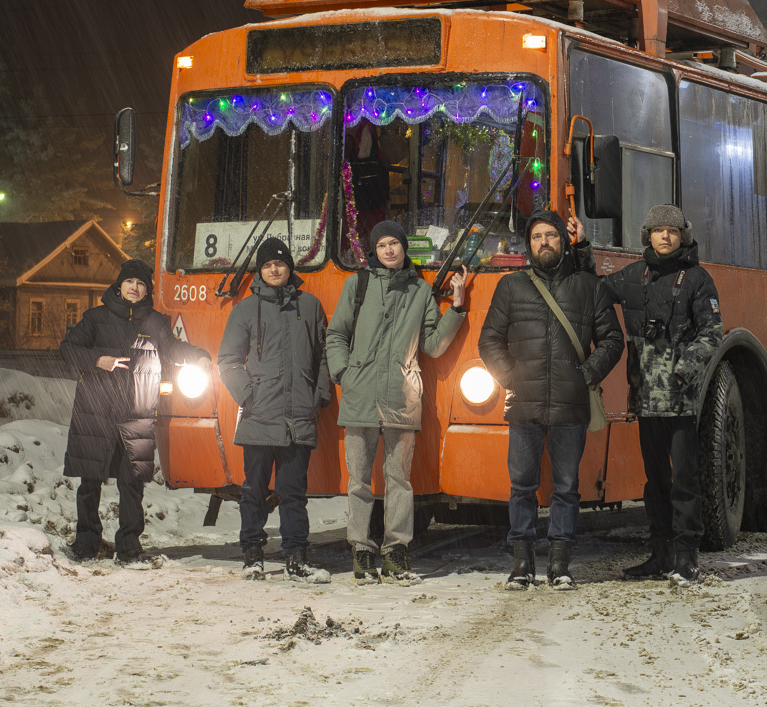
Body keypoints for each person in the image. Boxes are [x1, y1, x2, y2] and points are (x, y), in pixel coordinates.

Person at [570, 205, 722, 585]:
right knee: (655, 481)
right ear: (648, 236)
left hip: (680, 400)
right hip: (645, 399)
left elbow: (711, 333)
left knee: (684, 480)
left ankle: (687, 558)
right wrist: (583, 245)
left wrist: (683, 373)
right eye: (658, 231)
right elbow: (595, 288)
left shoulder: (698, 280)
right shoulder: (635, 275)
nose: (665, 237)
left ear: (682, 236)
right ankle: (660, 553)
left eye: (672, 231)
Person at [478, 209, 624, 591]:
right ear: (529, 244)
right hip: (523, 403)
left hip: (569, 403)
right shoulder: (511, 287)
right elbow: (489, 340)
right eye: (537, 237)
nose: (544, 242)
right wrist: (509, 376)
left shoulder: (587, 287)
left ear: (564, 241)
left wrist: (586, 376)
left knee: (565, 487)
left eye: (551, 236)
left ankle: (560, 565)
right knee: (522, 486)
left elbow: (612, 340)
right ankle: (521, 565)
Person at [326, 220, 469, 584]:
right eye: (382, 245)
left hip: (401, 398)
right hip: (359, 396)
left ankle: (395, 551)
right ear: (374, 251)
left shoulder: (420, 292)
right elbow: (336, 334)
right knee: (358, 480)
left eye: (395, 244)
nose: (389, 250)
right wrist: (344, 373)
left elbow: (434, 344)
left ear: (405, 248)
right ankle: (361, 549)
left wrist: (457, 306)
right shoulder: (356, 285)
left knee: (399, 480)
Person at [60, 258, 210, 564]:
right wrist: (97, 360)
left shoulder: (155, 322)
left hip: (137, 414)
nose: (134, 288)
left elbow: (173, 349)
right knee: (90, 482)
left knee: (131, 484)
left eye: (140, 284)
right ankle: (85, 545)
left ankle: (129, 547)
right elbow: (67, 349)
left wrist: (199, 356)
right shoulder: (96, 317)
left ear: (146, 290)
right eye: (129, 282)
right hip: (95, 411)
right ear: (119, 285)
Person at [218, 237, 332, 582]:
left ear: (289, 268)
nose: (275, 269)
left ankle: (297, 555)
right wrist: (249, 396)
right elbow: (227, 360)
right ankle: (252, 552)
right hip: (259, 417)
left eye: (280, 264)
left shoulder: (310, 307)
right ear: (260, 271)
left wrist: (319, 394)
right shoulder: (245, 310)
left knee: (294, 492)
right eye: (268, 265)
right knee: (254, 489)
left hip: (298, 417)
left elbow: (324, 354)